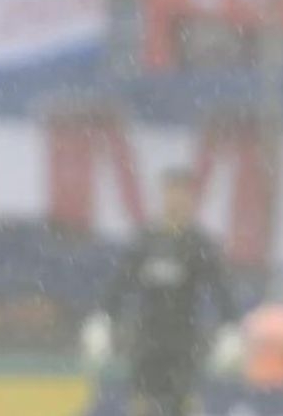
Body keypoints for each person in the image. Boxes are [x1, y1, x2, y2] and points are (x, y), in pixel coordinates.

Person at [81, 167, 239, 416]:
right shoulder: (146, 240)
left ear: (191, 199)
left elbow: (221, 289)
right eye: (171, 192)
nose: (176, 200)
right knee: (141, 404)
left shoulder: (198, 243)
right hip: (147, 339)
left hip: (184, 342)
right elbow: (120, 284)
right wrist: (102, 319)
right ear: (163, 196)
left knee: (184, 406)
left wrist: (231, 328)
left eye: (182, 193)